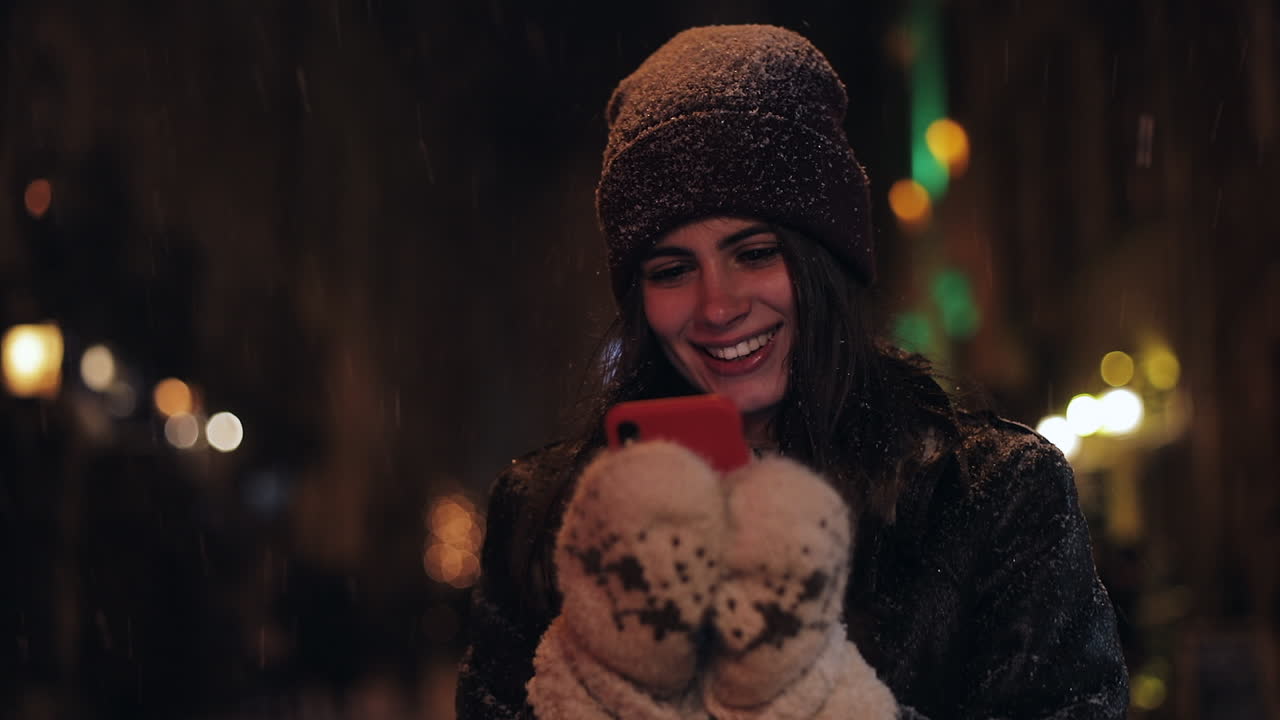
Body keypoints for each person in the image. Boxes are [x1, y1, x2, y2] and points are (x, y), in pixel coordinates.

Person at [456, 24, 1128, 720]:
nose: (718, 306)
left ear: (824, 263)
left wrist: (807, 688)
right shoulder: (547, 520)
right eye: (672, 270)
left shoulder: (990, 499)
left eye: (754, 253)